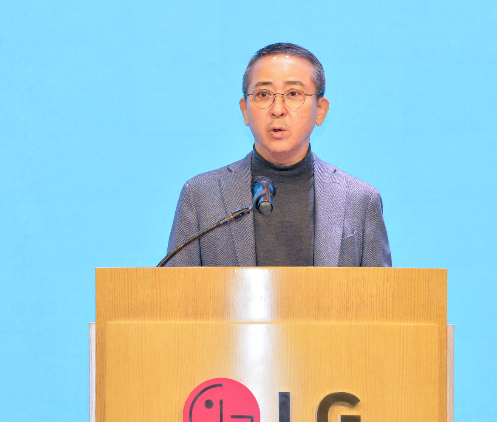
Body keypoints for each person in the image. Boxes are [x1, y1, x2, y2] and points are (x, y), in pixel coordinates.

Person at [165, 43, 391, 267]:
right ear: (245, 110)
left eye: (293, 93)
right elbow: (177, 288)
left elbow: (381, 290)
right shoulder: (201, 197)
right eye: (264, 94)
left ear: (320, 110)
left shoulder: (360, 201)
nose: (277, 109)